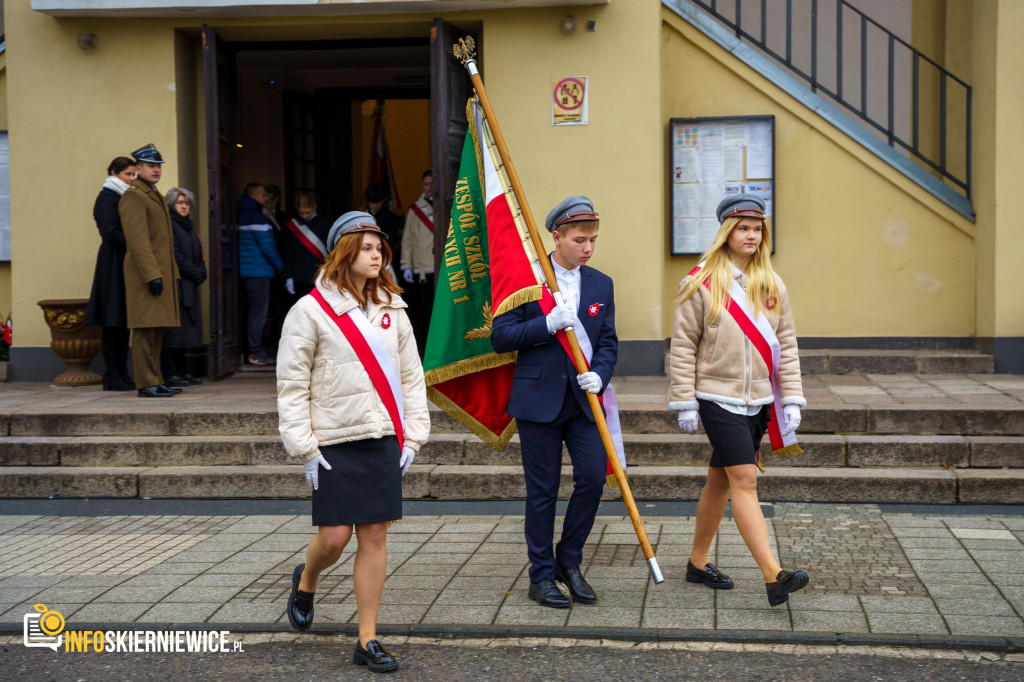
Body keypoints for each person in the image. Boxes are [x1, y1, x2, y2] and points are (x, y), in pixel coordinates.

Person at [278, 210, 429, 674]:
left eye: (378, 248)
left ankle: (368, 638)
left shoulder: (393, 309)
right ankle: (306, 580)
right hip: (334, 441)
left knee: (375, 536)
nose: (376, 254)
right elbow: (292, 384)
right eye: (366, 247)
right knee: (334, 538)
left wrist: (413, 436)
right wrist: (303, 446)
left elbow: (411, 377)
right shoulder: (309, 311)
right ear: (344, 252)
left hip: (381, 436)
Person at [669, 192, 809, 607]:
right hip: (716, 396)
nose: (751, 234)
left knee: (720, 480)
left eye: (757, 228)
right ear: (727, 232)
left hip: (759, 400)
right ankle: (774, 575)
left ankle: (697, 564)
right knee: (745, 480)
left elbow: (787, 343)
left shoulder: (772, 283)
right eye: (743, 228)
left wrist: (792, 399)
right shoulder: (698, 282)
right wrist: (685, 401)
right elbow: (682, 346)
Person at [491, 195, 617, 609]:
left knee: (593, 479)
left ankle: (570, 560)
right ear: (556, 236)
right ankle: (541, 575)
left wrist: (601, 372)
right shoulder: (526, 280)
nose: (588, 248)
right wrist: (544, 324)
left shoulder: (601, 283)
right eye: (580, 239)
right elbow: (501, 337)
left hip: (583, 401)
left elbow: (609, 342)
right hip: (539, 399)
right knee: (542, 491)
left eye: (593, 239)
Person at [120, 143, 181, 398]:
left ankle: (156, 379)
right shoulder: (134, 196)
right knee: (145, 330)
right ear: (138, 168)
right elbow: (138, 240)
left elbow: (163, 241)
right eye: (149, 166)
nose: (156, 170)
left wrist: (170, 273)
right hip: (146, 274)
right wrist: (152, 274)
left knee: (156, 329)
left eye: (158, 166)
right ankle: (146, 383)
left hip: (160, 272)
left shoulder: (152, 193)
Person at [85, 156, 137, 391]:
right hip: (112, 263)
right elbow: (110, 233)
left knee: (123, 321)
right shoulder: (106, 198)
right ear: (114, 173)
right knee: (112, 321)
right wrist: (137, 245)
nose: (131, 179)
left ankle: (122, 373)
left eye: (133, 175)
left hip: (123, 261)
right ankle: (111, 375)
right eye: (127, 174)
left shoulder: (122, 197)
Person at [160, 188, 207, 386]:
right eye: (180, 202)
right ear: (171, 205)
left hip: (190, 284)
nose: (184, 206)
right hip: (177, 284)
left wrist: (202, 270)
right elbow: (175, 254)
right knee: (174, 332)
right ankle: (170, 373)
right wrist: (195, 273)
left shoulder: (188, 226)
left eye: (187, 203)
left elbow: (198, 253)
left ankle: (183, 371)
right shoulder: (169, 225)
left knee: (187, 331)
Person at [238, 182, 285, 366]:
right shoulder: (256, 217)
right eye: (264, 195)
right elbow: (268, 247)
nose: (266, 198)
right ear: (255, 196)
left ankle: (251, 349)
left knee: (251, 312)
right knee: (258, 313)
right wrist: (281, 267)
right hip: (258, 271)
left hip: (246, 271)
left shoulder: (240, 212)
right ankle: (256, 352)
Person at [399, 170, 434, 347]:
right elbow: (408, 240)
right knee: (427, 308)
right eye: (426, 184)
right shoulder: (415, 210)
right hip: (423, 267)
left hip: (447, 264)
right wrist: (406, 264)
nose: (429, 187)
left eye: (432, 183)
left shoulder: (450, 204)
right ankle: (430, 344)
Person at [282, 191, 331, 302]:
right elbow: (288, 253)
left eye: (308, 213)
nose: (304, 216)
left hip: (320, 275)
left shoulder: (326, 224)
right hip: (299, 276)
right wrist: (288, 276)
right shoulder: (292, 226)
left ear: (315, 207)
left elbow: (332, 250)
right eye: (301, 213)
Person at [364, 182, 403, 262]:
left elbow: (390, 243)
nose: (374, 205)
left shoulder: (391, 218)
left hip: (382, 258)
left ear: (384, 200)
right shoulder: (360, 215)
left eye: (378, 202)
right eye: (372, 202)